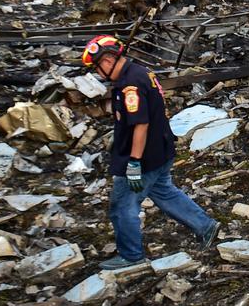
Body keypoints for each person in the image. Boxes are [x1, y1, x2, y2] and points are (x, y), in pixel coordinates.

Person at [81, 35, 218, 269]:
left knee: (123, 206)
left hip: (143, 158)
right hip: (161, 149)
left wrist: (134, 162)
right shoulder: (140, 72)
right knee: (164, 192)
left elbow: (140, 125)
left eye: (97, 67)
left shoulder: (129, 85)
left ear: (109, 60)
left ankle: (131, 256)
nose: (99, 74)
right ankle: (205, 226)